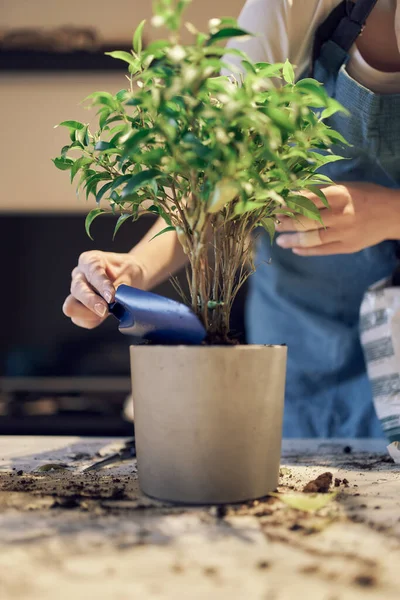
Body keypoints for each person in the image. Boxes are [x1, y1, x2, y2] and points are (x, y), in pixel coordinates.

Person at [63, 0, 400, 438]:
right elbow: (221, 174)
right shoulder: (290, 7)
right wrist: (136, 267)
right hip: (299, 332)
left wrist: (391, 213)